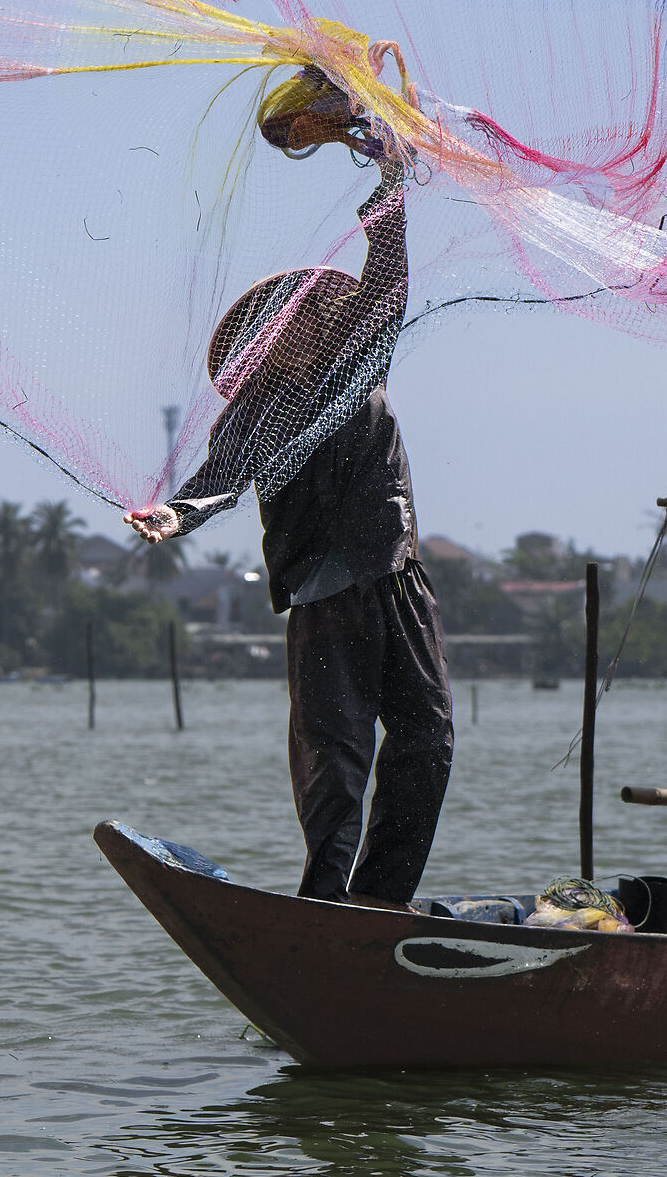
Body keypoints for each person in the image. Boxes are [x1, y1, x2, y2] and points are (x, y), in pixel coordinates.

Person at [126, 65, 453, 910]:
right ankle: (323, 906)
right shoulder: (263, 410)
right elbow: (214, 481)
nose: (305, 324)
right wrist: (171, 515)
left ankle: (379, 907)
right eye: (289, 322)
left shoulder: (362, 354)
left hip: (396, 576)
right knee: (334, 764)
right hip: (321, 594)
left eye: (313, 313)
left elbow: (387, 268)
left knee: (427, 740)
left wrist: (387, 175)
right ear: (267, 349)